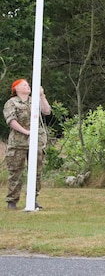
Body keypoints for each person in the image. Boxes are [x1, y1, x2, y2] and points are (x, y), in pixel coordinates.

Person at [4, 79, 51, 210]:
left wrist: (42, 95)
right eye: (24, 85)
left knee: (36, 171)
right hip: (18, 143)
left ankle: (33, 198)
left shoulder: (34, 100)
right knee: (15, 172)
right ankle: (12, 200)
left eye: (28, 84)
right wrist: (27, 132)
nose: (28, 86)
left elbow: (47, 111)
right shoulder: (11, 103)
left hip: (36, 142)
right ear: (16, 88)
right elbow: (11, 120)